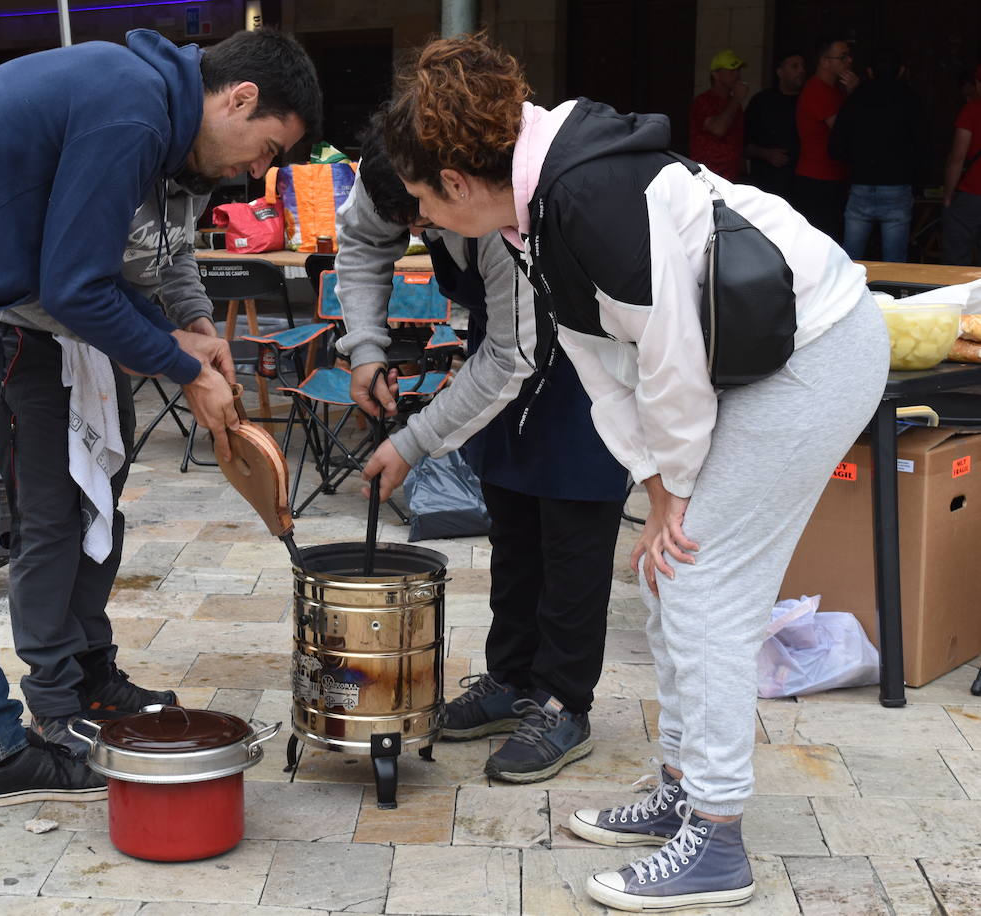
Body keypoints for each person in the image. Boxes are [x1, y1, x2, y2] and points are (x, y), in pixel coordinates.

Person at [383, 36, 887, 912]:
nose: (423, 221)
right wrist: (657, 489)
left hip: (814, 350)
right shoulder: (533, 205)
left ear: (459, 180)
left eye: (423, 201)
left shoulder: (587, 195)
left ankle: (717, 841)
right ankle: (685, 790)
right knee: (670, 577)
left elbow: (670, 366)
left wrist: (673, 495)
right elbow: (598, 366)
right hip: (754, 355)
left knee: (700, 586)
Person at [0, 27, 320, 872]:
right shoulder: (128, 107)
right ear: (238, 99)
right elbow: (76, 284)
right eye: (261, 148)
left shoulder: (141, 103)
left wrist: (184, 332)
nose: (247, 173)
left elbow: (79, 271)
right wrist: (184, 369)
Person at [340, 110, 626, 784]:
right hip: (500, 354)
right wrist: (365, 349)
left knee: (572, 533)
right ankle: (510, 680)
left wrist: (413, 444)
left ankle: (564, 702)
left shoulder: (506, 206)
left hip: (590, 364)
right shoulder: (391, 172)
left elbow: (514, 354)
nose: (417, 233)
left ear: (451, 184)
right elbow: (360, 246)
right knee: (513, 522)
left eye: (424, 219)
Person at [0, 178, 215, 745]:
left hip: (102, 342)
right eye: (263, 147)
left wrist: (195, 320)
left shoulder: (199, 176)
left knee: (100, 512)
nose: (259, 163)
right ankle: (51, 698)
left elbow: (174, 250)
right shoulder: (123, 155)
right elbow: (62, 274)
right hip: (33, 337)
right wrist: (172, 351)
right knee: (49, 523)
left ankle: (93, 673)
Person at [829, 48, 926, 263]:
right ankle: (892, 295)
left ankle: (848, 295)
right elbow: (922, 146)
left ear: (870, 72)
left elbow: (836, 146)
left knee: (850, 260)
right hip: (897, 186)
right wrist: (918, 183)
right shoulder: (911, 100)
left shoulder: (856, 100)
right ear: (901, 71)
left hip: (861, 184)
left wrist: (856, 164)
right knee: (894, 262)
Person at [793, 37, 859, 241]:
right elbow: (844, 131)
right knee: (822, 240)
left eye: (849, 56)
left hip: (832, 176)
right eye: (843, 57)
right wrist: (855, 94)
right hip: (817, 180)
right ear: (824, 61)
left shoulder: (834, 90)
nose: (849, 61)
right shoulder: (817, 90)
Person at [744, 51, 805, 198]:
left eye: (803, 66)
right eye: (795, 66)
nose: (801, 71)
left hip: (803, 184)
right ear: (780, 72)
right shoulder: (762, 101)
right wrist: (767, 154)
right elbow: (743, 143)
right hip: (768, 183)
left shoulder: (809, 100)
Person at [942, 64, 981, 266]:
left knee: (957, 257)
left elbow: (957, 157)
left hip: (973, 194)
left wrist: (948, 195)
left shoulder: (973, 109)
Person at [689, 49, 748, 181]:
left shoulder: (734, 104)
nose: (738, 75)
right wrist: (737, 99)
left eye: (739, 71)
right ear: (716, 74)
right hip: (708, 177)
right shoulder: (703, 101)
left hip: (732, 177)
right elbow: (718, 129)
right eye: (732, 71)